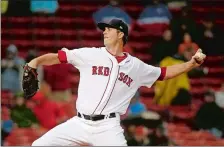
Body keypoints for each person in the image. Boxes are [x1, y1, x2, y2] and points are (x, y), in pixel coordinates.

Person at [26, 18, 206, 146]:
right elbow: (59, 57)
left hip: (108, 127)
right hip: (79, 123)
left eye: (108, 29)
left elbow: (163, 73)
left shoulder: (135, 66)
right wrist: (35, 62)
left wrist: (191, 64)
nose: (104, 31)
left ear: (120, 34)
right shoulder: (91, 54)